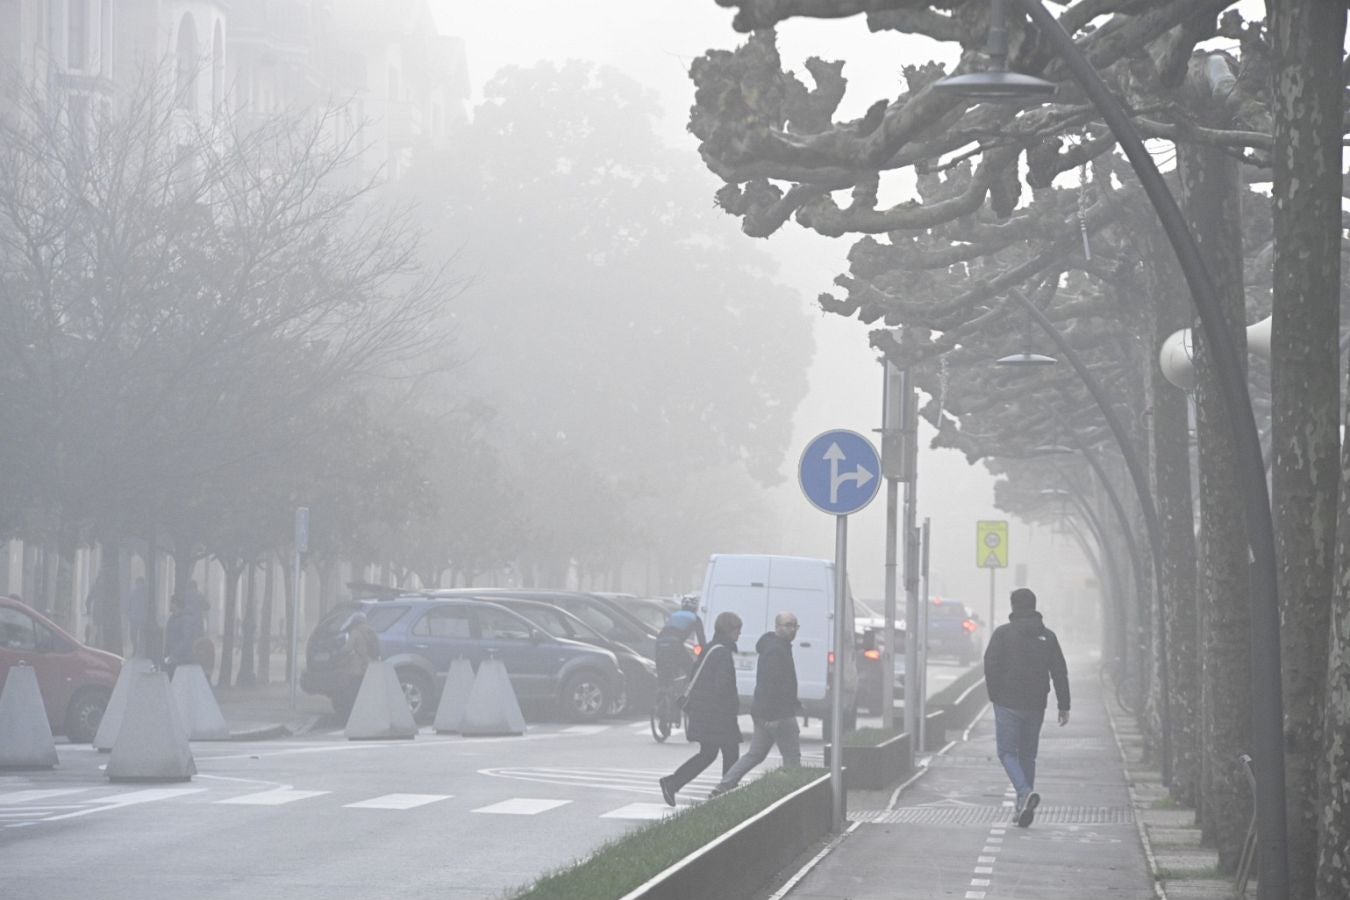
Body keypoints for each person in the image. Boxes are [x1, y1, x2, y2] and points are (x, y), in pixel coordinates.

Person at [983, 587, 1070, 828]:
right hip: (1036, 705)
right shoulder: (1048, 637)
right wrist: (1064, 704)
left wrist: (995, 695)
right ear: (1034, 605)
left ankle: (1023, 792)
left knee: (1007, 753)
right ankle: (1022, 806)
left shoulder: (1002, 635)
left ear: (1013, 607)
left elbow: (990, 665)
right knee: (1028, 755)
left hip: (1008, 703)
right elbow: (1059, 671)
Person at [708, 611, 802, 797]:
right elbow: (770, 684)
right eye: (788, 625)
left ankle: (724, 785)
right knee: (792, 759)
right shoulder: (776, 650)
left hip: (764, 712)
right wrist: (773, 716)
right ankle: (794, 796)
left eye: (795, 625)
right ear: (777, 627)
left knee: (755, 754)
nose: (793, 629)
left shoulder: (774, 645)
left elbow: (781, 683)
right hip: (778, 714)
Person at [659, 611, 742, 806]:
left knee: (709, 753)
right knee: (730, 751)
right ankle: (726, 794)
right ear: (730, 631)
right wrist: (732, 707)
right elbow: (723, 686)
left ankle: (672, 783)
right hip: (716, 713)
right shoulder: (722, 653)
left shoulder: (712, 648)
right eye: (738, 630)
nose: (739, 635)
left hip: (705, 711)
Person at [334, 611, 382, 718]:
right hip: (371, 665)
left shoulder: (355, 631)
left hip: (359, 666)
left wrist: (338, 653)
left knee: (355, 689)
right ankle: (370, 710)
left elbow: (348, 648)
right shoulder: (371, 631)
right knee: (368, 689)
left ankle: (355, 712)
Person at [654, 594, 707, 691]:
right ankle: (686, 694)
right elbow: (702, 641)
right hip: (675, 644)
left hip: (659, 644)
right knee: (692, 671)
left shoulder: (674, 615)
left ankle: (661, 695)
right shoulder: (695, 618)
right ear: (695, 607)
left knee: (663, 677)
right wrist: (703, 654)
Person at [164, 593, 203, 677]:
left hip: (182, 659)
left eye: (171, 603)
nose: (169, 605)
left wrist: (174, 653)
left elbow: (186, 639)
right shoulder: (172, 618)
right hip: (173, 657)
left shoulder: (186, 619)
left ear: (176, 604)